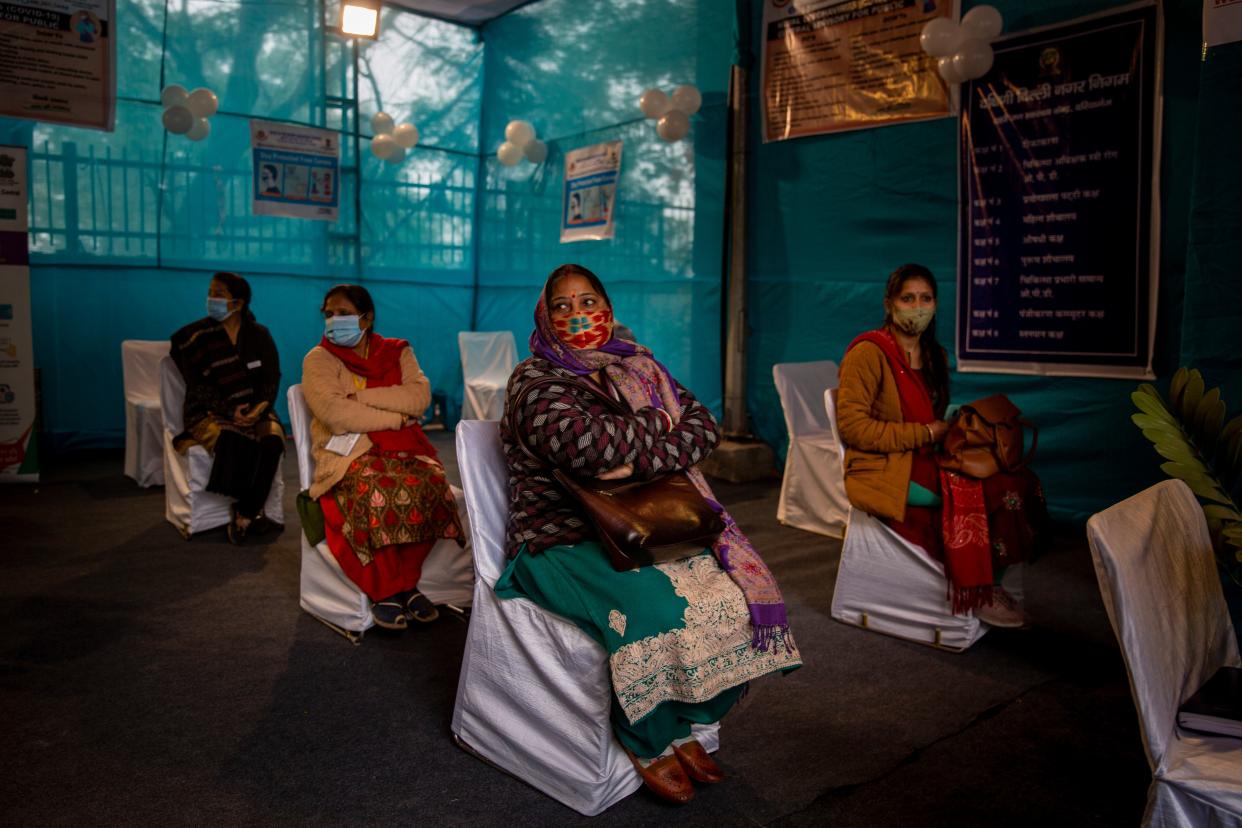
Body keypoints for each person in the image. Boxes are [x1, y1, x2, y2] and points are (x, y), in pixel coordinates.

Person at [496, 264, 802, 805]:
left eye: (587, 301)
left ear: (608, 308)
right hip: (559, 539)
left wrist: (633, 457)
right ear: (544, 315)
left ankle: (686, 717)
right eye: (561, 306)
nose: (576, 314)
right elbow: (589, 450)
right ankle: (648, 736)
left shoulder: (635, 364)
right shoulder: (535, 381)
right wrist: (660, 424)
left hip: (647, 524)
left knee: (730, 597)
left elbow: (702, 425)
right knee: (659, 611)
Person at [836, 263, 1049, 628]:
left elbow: (933, 419)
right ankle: (981, 591)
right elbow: (855, 429)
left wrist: (954, 423)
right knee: (990, 489)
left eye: (925, 298)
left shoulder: (933, 356)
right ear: (890, 304)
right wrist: (926, 433)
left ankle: (992, 580)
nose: (917, 306)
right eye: (908, 298)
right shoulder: (868, 353)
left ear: (935, 304)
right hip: (883, 468)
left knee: (1018, 479)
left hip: (929, 456)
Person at [301, 284, 464, 630]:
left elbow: (418, 398)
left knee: (433, 485)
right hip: (348, 454)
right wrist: (393, 417)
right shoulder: (319, 358)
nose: (334, 321)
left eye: (343, 313)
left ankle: (408, 578)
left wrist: (359, 399)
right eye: (329, 314)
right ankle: (388, 588)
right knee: (376, 489)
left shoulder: (396, 351)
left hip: (405, 446)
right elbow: (335, 415)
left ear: (367, 317)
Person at [170, 272, 284, 544]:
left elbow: (272, 377)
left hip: (257, 408)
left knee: (272, 442)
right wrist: (231, 411)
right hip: (208, 411)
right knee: (234, 440)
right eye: (210, 292)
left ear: (238, 302)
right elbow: (197, 386)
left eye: (218, 293)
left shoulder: (259, 335)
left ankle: (245, 511)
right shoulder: (194, 337)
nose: (212, 299)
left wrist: (260, 408)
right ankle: (253, 515)